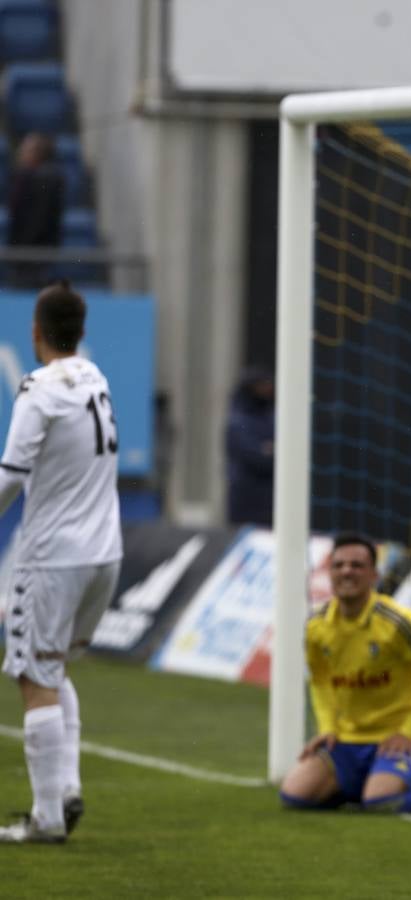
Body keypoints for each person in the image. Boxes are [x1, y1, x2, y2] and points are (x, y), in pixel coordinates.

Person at [0, 281, 121, 843]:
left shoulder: (38, 390)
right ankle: (65, 789)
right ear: (83, 331)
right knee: (54, 669)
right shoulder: (95, 378)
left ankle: (46, 819)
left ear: (35, 330)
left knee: (33, 675)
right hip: (104, 554)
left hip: (53, 557)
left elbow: (11, 474)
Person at [278, 533, 411, 814]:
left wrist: (407, 731)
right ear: (329, 573)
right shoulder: (315, 625)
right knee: (295, 795)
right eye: (339, 565)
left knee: (381, 802)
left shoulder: (398, 623)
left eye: (357, 565)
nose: (347, 571)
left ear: (374, 574)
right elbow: (320, 680)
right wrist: (327, 729)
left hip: (401, 739)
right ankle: (360, 784)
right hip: (348, 740)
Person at [7, 134, 65, 288]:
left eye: (26, 150)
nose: (21, 153)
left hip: (33, 253)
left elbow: (37, 222)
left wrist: (22, 251)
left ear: (38, 154)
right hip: (27, 252)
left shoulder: (43, 180)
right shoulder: (27, 177)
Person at [225, 367, 275, 527]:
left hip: (271, 501)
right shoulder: (238, 421)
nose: (267, 390)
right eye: (262, 386)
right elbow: (256, 457)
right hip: (244, 501)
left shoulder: (274, 418)